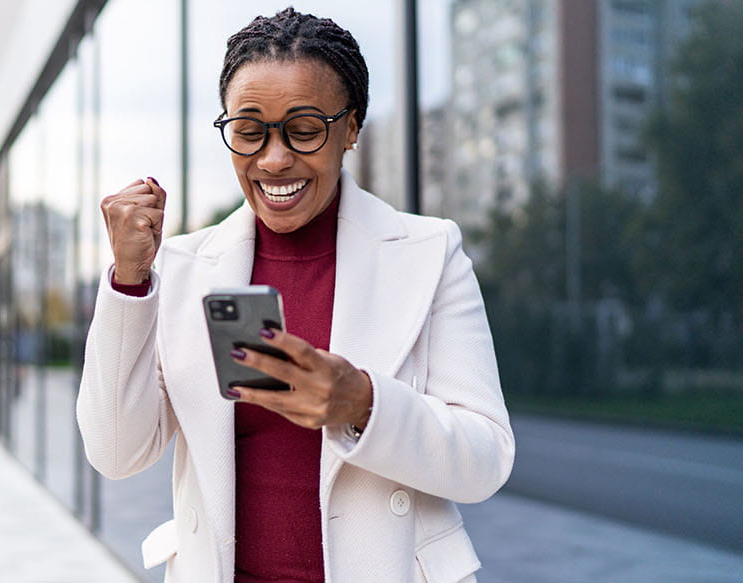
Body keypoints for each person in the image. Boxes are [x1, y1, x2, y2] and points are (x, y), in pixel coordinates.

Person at [75, 9, 513, 583]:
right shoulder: (183, 269)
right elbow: (116, 452)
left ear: (351, 127)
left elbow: (485, 460)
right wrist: (129, 282)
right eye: (249, 131)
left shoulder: (429, 253)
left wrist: (363, 404)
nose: (274, 159)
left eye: (304, 129)